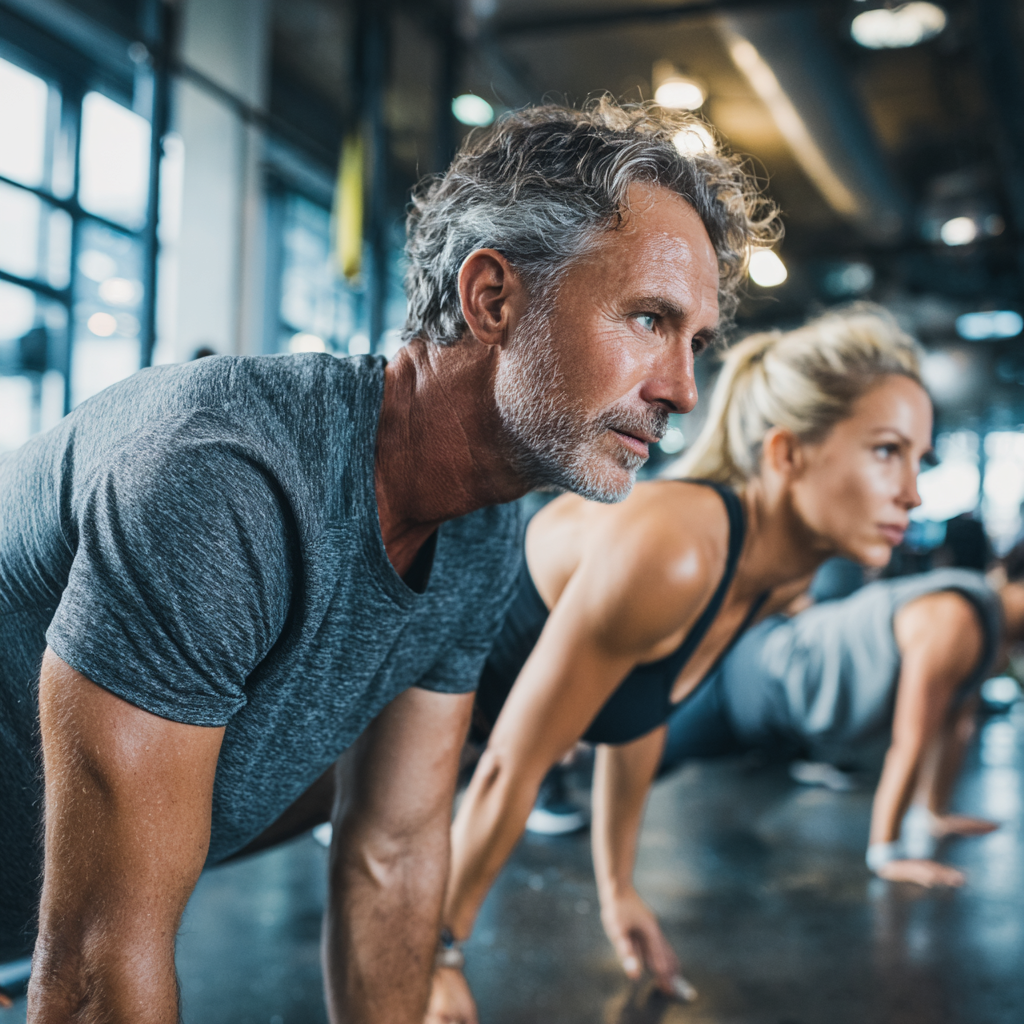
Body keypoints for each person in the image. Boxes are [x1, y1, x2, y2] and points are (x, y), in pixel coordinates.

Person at [0, 99, 775, 1024]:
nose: (683, 390)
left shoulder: (482, 532)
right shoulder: (225, 481)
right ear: (493, 299)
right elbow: (97, 973)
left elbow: (394, 852)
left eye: (696, 343)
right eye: (649, 318)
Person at [426, 305, 935, 1024]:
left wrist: (618, 890)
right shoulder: (679, 549)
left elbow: (640, 710)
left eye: (920, 459)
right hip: (375, 720)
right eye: (886, 451)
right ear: (787, 454)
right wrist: (440, 952)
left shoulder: (775, 578)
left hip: (443, 756)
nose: (913, 492)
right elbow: (511, 764)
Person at [660, 561, 1018, 894]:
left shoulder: (988, 625)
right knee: (647, 751)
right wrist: (887, 854)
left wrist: (935, 815)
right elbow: (910, 741)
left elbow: (954, 724)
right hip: (757, 681)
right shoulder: (954, 621)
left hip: (783, 707)